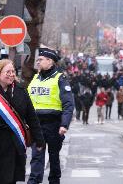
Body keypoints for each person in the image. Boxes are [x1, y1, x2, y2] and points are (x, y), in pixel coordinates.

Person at [27, 47, 74, 184]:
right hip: (36, 124)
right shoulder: (35, 78)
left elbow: (68, 104)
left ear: (50, 61)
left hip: (54, 125)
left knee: (54, 157)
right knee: (37, 156)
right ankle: (34, 181)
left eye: (40, 60)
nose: (38, 62)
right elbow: (28, 102)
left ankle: (54, 181)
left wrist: (64, 124)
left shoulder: (60, 79)